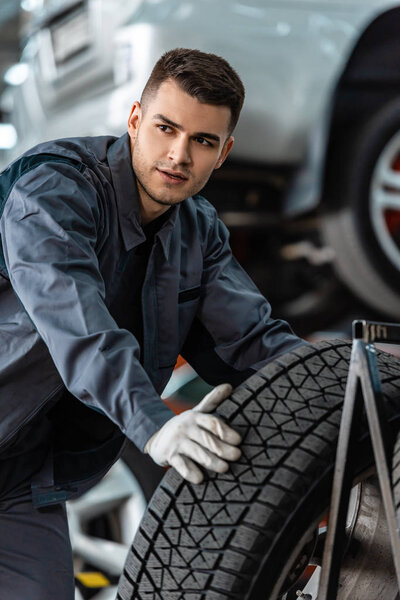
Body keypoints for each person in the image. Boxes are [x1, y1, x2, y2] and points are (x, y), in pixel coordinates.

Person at [0, 48, 305, 598]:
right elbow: (77, 325)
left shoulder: (198, 231)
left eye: (203, 141)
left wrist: (355, 376)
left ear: (224, 153)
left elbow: (252, 342)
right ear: (136, 118)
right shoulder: (52, 188)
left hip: (16, 484)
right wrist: (156, 423)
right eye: (166, 128)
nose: (178, 154)